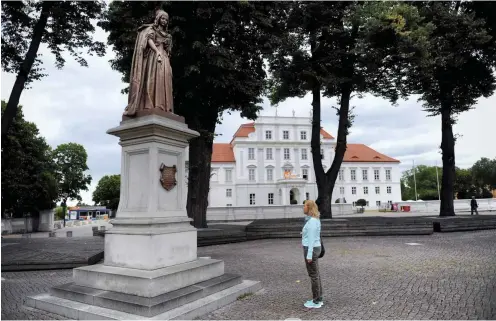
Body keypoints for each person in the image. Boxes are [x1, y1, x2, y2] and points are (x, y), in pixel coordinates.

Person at [124, 10, 174, 116]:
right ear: (158, 19)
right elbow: (149, 40)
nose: (164, 21)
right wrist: (157, 51)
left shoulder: (168, 35)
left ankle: (164, 106)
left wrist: (167, 45)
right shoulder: (152, 29)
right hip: (154, 57)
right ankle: (152, 104)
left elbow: (168, 50)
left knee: (165, 78)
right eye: (162, 18)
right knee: (155, 78)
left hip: (164, 57)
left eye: (166, 19)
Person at [302, 200, 323, 308]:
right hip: (314, 248)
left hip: (311, 249)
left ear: (309, 208)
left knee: (313, 275)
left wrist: (309, 255)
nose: (303, 208)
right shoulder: (313, 220)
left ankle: (316, 301)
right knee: (316, 274)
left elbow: (311, 239)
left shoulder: (312, 221)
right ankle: (319, 297)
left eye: (304, 206)